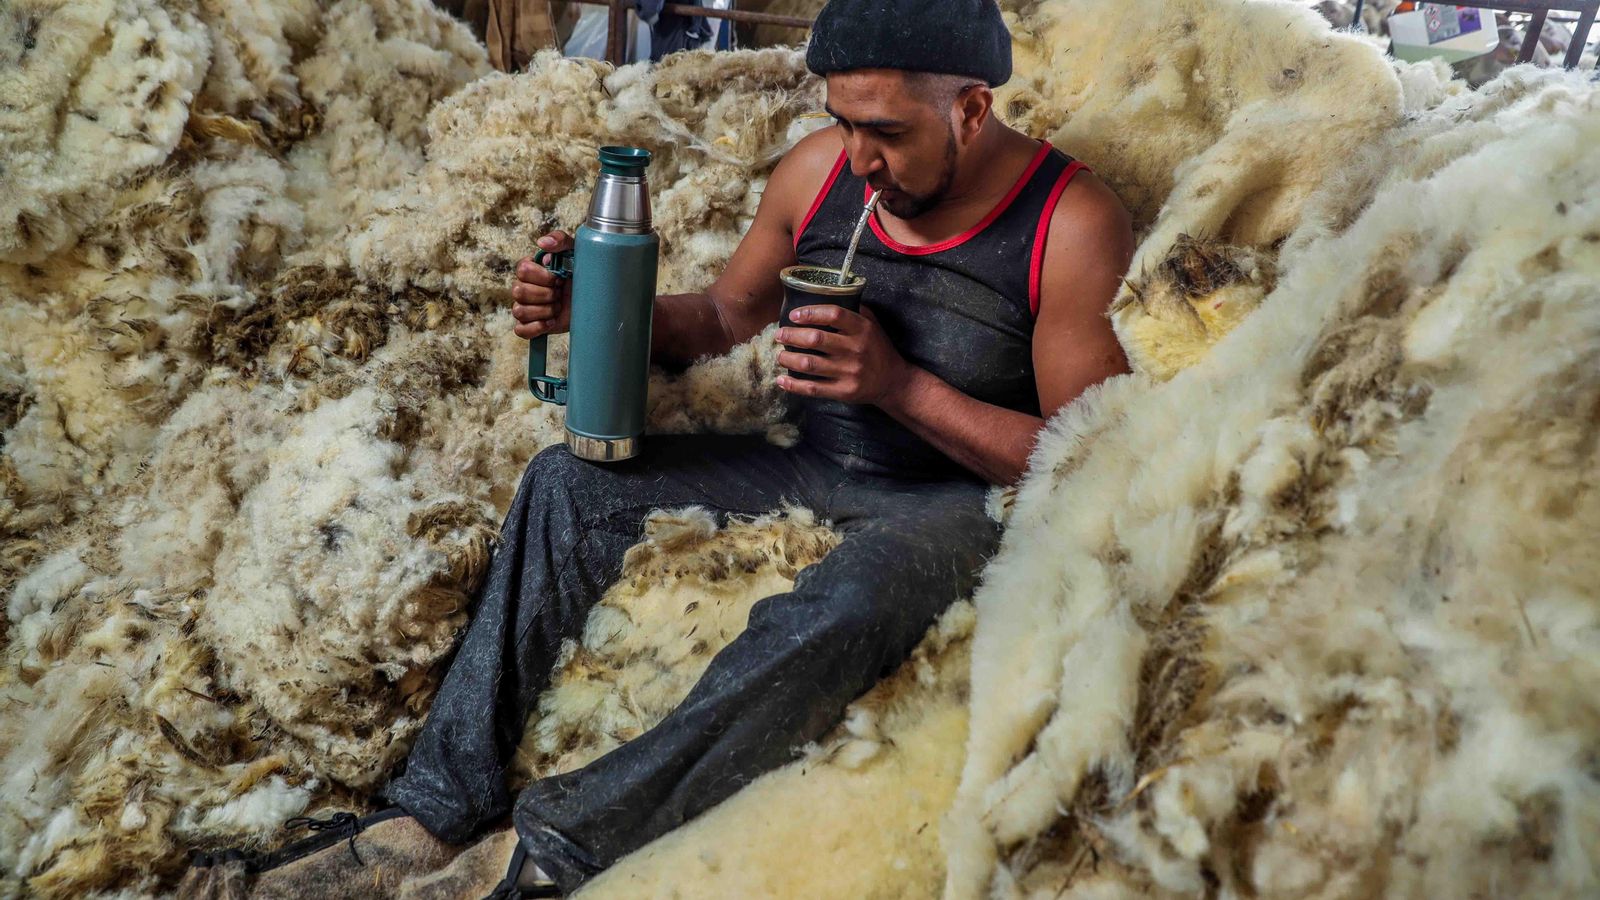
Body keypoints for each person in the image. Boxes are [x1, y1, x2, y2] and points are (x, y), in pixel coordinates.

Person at [178, 0, 1133, 896]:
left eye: (888, 133)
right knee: (567, 480)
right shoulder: (818, 173)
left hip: (952, 499)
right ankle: (428, 814)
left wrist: (900, 386)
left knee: (857, 597)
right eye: (844, 122)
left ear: (972, 109)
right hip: (807, 459)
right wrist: (595, 307)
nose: (860, 157)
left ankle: (550, 847)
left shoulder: (1070, 223)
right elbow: (725, 315)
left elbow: (1082, 454)